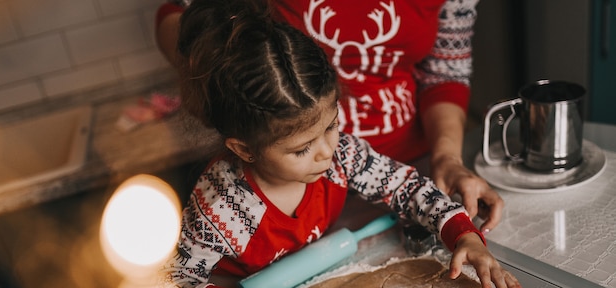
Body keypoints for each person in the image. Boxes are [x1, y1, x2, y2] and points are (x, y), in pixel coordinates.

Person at [160, 0, 522, 288]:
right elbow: (171, 282)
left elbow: (406, 187)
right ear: (244, 149)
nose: (326, 153)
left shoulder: (341, 155)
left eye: (332, 125)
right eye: (301, 148)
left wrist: (464, 236)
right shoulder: (224, 208)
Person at [155, 0, 504, 233]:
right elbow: (183, 16)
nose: (327, 150)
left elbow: (445, 74)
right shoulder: (221, 209)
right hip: (291, 191)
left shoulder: (351, 156)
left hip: (408, 167)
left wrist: (447, 158)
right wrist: (226, 73)